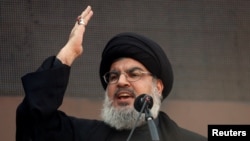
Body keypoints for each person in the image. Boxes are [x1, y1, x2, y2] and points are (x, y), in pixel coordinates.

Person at [16, 5, 207, 141]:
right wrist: (68, 54)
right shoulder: (83, 135)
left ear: (157, 86)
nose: (121, 82)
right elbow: (33, 121)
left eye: (134, 74)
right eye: (113, 77)